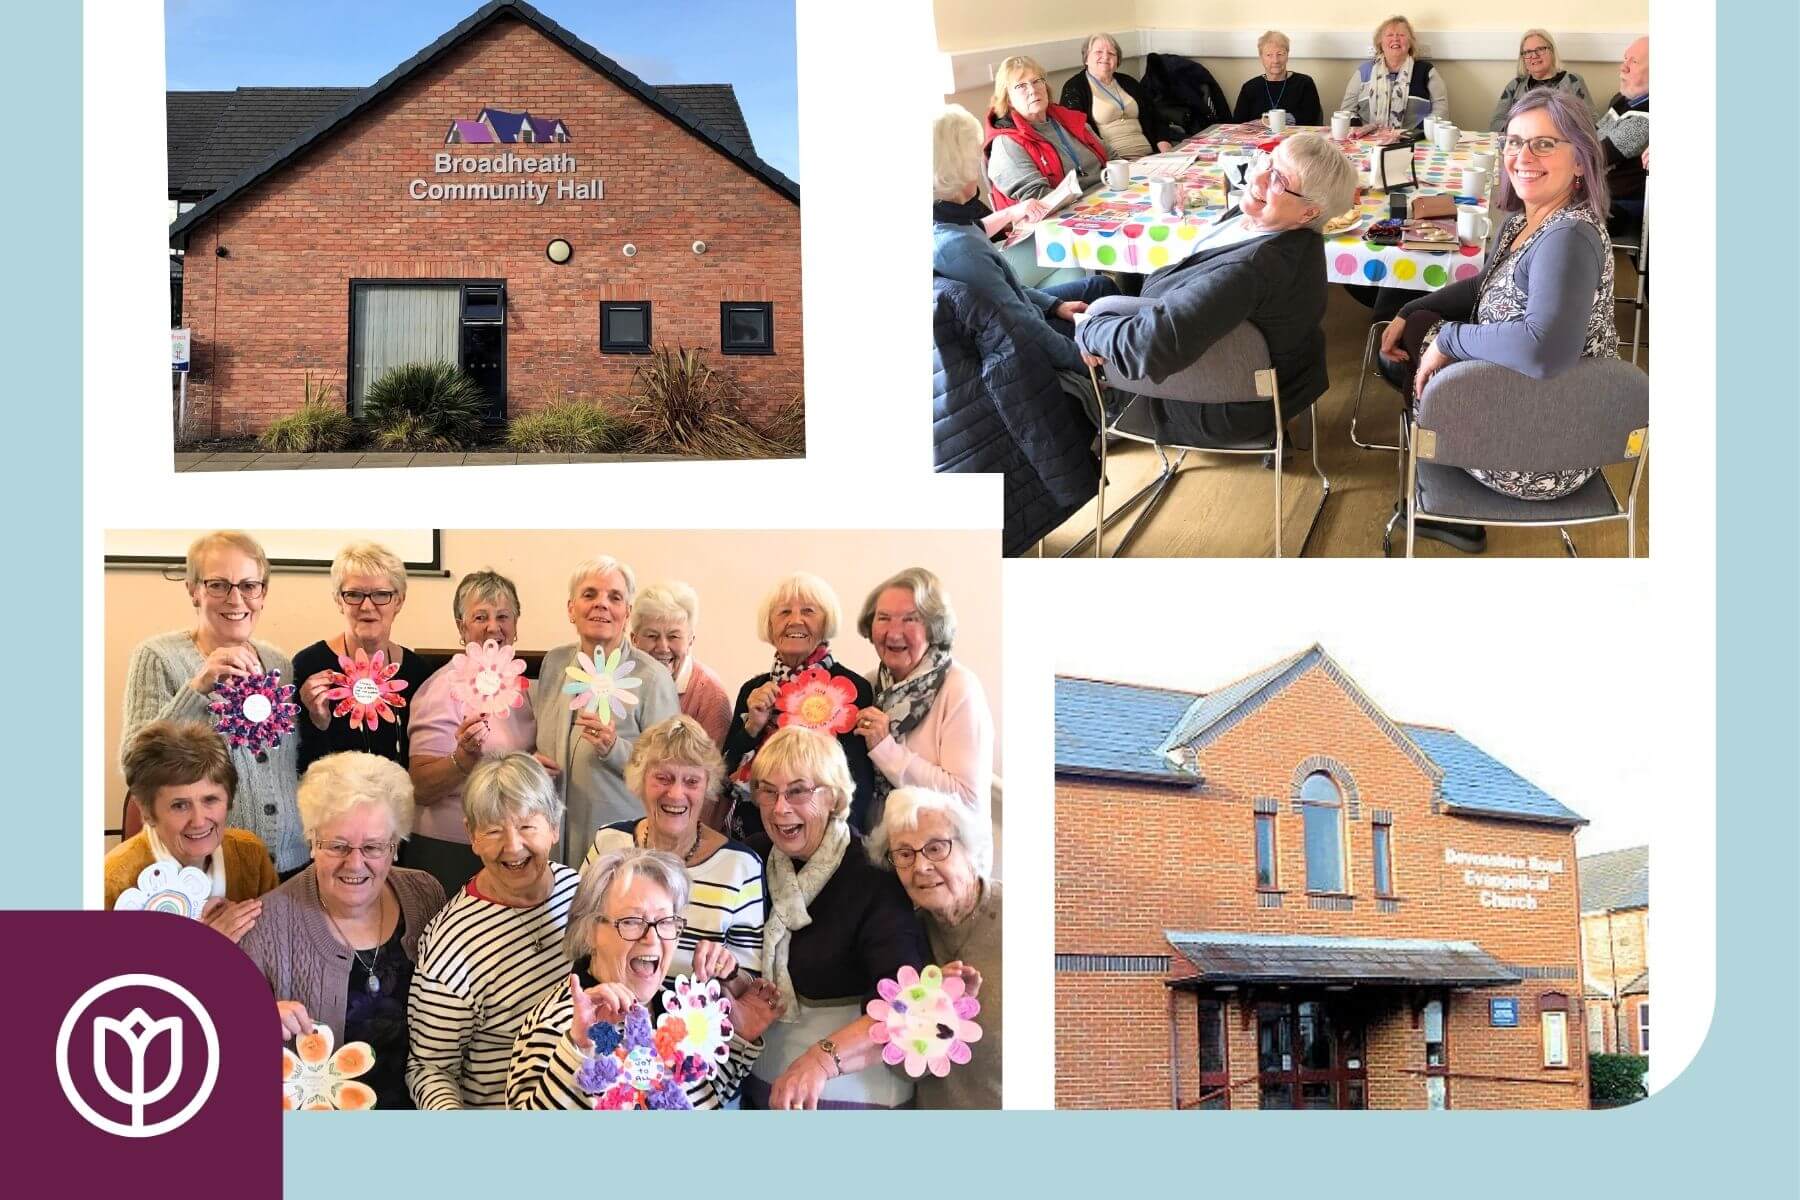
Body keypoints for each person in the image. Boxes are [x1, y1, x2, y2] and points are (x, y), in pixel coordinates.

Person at [1379, 88, 1618, 551]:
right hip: (1517, 409)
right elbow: (1483, 287)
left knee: (1415, 344)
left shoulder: (1568, 236)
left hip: (1541, 448)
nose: (1523, 156)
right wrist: (1405, 311)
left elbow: (1543, 350)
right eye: (1513, 141)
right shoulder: (1523, 221)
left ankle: (1443, 496)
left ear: (1582, 160)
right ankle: (1431, 436)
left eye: (1545, 143)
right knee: (1415, 322)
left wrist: (1447, 340)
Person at [1076, 133, 1359, 445]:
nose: (1260, 176)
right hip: (1263, 376)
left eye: (1279, 179)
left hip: (1219, 406)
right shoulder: (1277, 226)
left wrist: (1087, 330)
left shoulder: (1249, 270)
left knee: (1055, 341)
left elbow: (1147, 347)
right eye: (1270, 160)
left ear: (1309, 213)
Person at [241, 751, 446, 1111]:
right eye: (337, 846)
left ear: (395, 847)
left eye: (373, 847)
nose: (355, 863)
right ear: (311, 842)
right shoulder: (266, 927)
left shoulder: (426, 895)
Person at [506, 847, 785, 1109]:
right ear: (590, 931)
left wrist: (738, 1040)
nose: (651, 938)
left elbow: (693, 1100)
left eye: (665, 922)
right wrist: (578, 1047)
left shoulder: (671, 1008)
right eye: (631, 921)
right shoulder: (562, 1024)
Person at [742, 728, 928, 1110]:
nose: (780, 808)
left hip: (851, 1084)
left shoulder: (874, 874)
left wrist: (821, 1060)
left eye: (798, 791)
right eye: (768, 791)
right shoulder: (751, 859)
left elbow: (906, 1002)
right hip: (762, 1074)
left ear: (834, 796)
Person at [120, 530, 308, 875]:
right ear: (194, 590)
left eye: (249, 586)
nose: (236, 599)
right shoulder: (159, 656)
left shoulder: (278, 661)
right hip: (208, 866)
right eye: (219, 585)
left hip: (291, 861)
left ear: (262, 593)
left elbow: (286, 763)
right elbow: (134, 764)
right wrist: (198, 688)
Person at [406, 753, 580, 1109]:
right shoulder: (451, 944)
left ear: (554, 825)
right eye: (494, 829)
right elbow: (429, 1068)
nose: (513, 846)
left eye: (528, 825)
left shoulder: (581, 893)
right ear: (471, 834)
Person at [934, 105, 1117, 376]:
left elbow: (1007, 292)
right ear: (960, 167)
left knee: (1099, 286)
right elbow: (1021, 326)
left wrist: (1055, 306)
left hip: (1021, 311)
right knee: (1104, 304)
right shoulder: (961, 249)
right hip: (1020, 345)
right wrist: (1081, 360)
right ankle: (1123, 382)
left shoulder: (951, 221)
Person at [585, 715, 765, 986]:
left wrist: (726, 970)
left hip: (694, 1023)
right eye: (663, 778)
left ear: (708, 787)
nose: (676, 794)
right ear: (640, 780)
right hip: (610, 1011)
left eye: (692, 781)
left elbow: (749, 980)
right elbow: (579, 938)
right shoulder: (609, 842)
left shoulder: (740, 866)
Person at [533, 556, 678, 863]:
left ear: (627, 612)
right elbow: (540, 739)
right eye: (589, 595)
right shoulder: (554, 663)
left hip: (617, 846)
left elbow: (670, 771)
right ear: (571, 608)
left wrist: (614, 748)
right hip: (551, 838)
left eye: (614, 597)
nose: (601, 604)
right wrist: (532, 764)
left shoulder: (651, 677)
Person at [404, 569, 538, 897]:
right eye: (481, 617)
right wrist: (463, 760)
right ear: (462, 628)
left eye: (504, 616)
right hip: (450, 850)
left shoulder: (520, 687)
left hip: (506, 847)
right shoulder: (443, 687)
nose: (494, 626)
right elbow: (420, 786)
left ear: (516, 625)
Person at [867, 787, 1002, 1110]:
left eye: (936, 848)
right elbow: (900, 1068)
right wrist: (925, 1008)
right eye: (904, 854)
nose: (921, 867)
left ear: (969, 849)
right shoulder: (902, 937)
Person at [722, 572, 879, 836]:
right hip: (754, 835)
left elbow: (859, 786)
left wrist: (837, 843)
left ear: (826, 621)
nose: (796, 620)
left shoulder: (852, 688)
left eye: (808, 611)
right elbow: (723, 773)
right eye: (784, 612)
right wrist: (752, 728)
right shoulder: (753, 691)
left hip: (824, 837)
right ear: (770, 626)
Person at [105, 720, 278, 941]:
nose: (198, 821)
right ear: (147, 812)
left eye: (210, 799)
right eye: (180, 805)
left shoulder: (251, 855)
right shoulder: (112, 881)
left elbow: (275, 944)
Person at [853, 568, 993, 828]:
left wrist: (886, 749)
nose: (894, 633)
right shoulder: (868, 685)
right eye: (883, 618)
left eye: (910, 619)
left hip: (941, 854)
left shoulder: (959, 687)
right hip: (877, 848)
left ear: (933, 628)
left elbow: (965, 798)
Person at [292, 541, 435, 775]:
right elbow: (295, 766)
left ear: (399, 601)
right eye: (354, 594)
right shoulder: (309, 666)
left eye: (381, 594)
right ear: (339, 600)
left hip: (400, 806)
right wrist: (318, 723)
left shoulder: (417, 673)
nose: (367, 606)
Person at [984, 54, 1111, 209]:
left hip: (1106, 197)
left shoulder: (1068, 119)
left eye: (1037, 81)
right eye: (1021, 86)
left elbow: (1111, 157)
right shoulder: (1006, 143)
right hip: (1060, 217)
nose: (1032, 90)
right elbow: (1036, 200)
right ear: (1008, 99)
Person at [629, 581, 732, 748]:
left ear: (691, 640)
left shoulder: (711, 694)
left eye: (673, 636)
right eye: (652, 636)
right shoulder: (619, 681)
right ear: (634, 639)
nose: (663, 647)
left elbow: (712, 769)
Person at [1057, 33, 1180, 160]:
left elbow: (1156, 118)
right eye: (1098, 52)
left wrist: (1166, 150)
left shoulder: (1128, 82)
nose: (1105, 57)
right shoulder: (1075, 87)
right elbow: (1076, 134)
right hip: (1114, 163)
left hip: (1152, 156)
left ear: (1117, 61)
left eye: (1111, 53)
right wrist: (1115, 163)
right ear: (1086, 58)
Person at [1340, 15, 1447, 129]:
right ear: (1380, 43)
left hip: (1415, 141)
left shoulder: (1426, 71)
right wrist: (1361, 132)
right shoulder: (1364, 71)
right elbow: (1347, 111)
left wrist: (1421, 133)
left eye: (1401, 35)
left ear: (1410, 43)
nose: (1395, 38)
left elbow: (1441, 110)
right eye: (1390, 35)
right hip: (1367, 142)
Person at [1488, 29, 1591, 132]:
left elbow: (1590, 120)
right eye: (1528, 52)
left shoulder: (1573, 81)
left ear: (1552, 51)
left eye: (1540, 49)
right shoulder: (1515, 85)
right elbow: (1496, 123)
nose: (1534, 56)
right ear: (1523, 58)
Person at [1597, 36, 1649, 224]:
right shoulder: (1623, 99)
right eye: (1625, 59)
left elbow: (1594, 156)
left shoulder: (1646, 119)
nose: (1623, 67)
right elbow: (1592, 134)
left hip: (1618, 206)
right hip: (1598, 192)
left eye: (1633, 62)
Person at [1232, 31, 1324, 127]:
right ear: (1261, 57)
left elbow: (1311, 118)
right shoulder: (1249, 87)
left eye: (1280, 54)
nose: (1275, 60)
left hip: (1294, 140)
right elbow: (1238, 123)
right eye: (1269, 55)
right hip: (1257, 140)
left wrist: (1274, 120)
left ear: (1287, 55)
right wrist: (1259, 124)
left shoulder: (1305, 83)